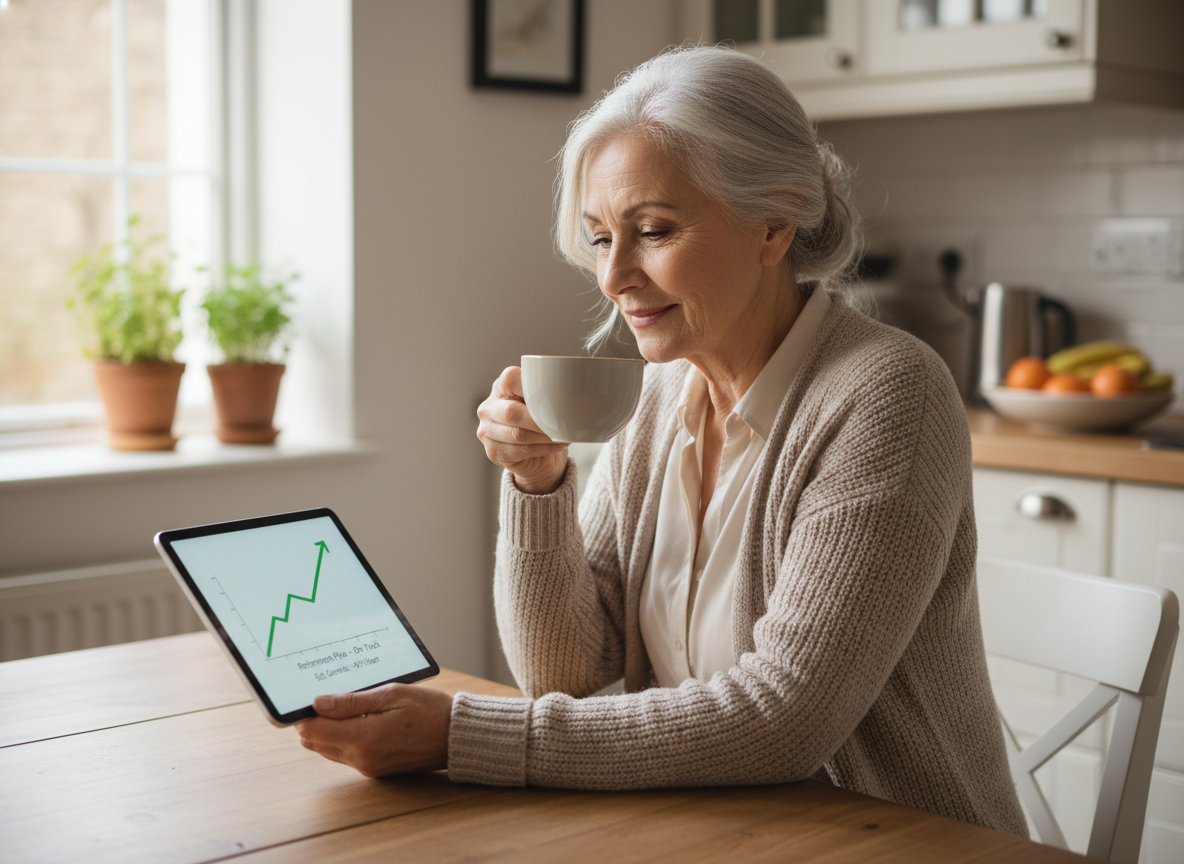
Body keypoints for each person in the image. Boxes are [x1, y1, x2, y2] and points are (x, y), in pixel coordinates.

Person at [298, 45, 1027, 838]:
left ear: (775, 223)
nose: (614, 278)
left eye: (652, 231)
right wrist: (539, 487)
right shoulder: (660, 399)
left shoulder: (887, 393)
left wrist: (461, 733)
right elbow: (564, 674)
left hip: (902, 842)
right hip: (719, 831)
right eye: (601, 238)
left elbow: (782, 718)